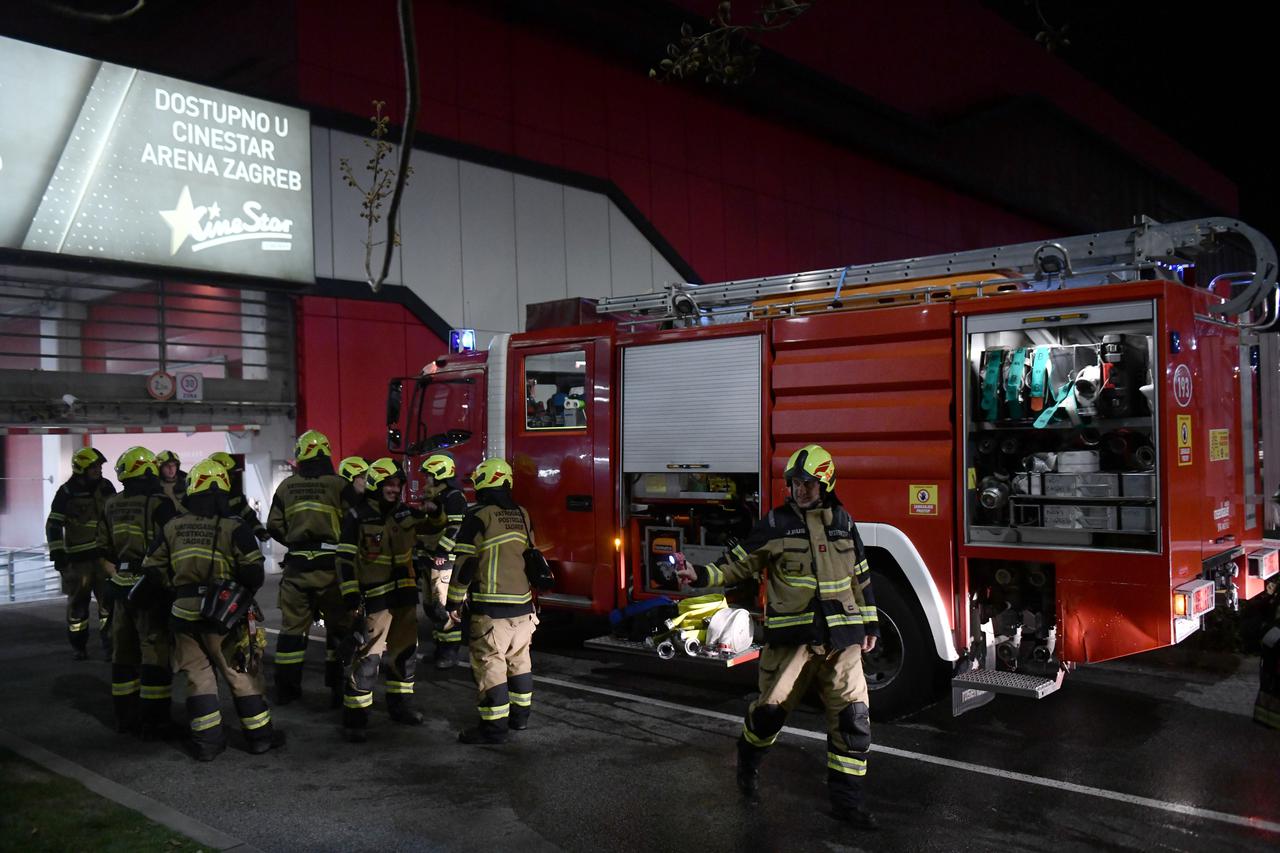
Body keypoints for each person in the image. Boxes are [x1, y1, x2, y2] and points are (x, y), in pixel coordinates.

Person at [675, 444, 881, 830]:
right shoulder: (775, 523)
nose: (799, 491)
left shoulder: (843, 521)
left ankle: (847, 804)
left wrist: (870, 625)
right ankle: (748, 759)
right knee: (768, 716)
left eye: (807, 484)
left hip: (843, 643)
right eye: (794, 484)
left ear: (826, 483)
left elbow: (861, 577)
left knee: (853, 721)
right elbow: (738, 564)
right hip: (793, 645)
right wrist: (700, 576)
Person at [142, 458, 285, 761]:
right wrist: (234, 595)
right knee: (240, 674)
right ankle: (260, 737)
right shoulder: (235, 527)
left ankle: (207, 744)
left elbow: (151, 567)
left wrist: (176, 588)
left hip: (183, 613)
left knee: (199, 678)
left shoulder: (172, 526)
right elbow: (254, 575)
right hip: (225, 616)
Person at [446, 457, 539, 744]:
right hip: (524, 609)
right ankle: (520, 720)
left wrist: (453, 603)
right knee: (520, 662)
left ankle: (493, 729)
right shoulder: (522, 514)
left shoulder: (478, 515)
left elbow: (464, 564)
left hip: (491, 609)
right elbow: (532, 556)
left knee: (491, 666)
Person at [337, 457, 424, 742]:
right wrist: (349, 592)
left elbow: (434, 528)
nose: (394, 489)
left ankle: (401, 706)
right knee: (368, 658)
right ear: (375, 484)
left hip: (405, 596)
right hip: (375, 599)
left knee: (405, 653)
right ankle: (356, 718)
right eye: (388, 484)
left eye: (397, 484)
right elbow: (344, 558)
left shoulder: (405, 514)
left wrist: (436, 511)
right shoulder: (357, 515)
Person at [265, 431, 353, 707]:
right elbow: (356, 523)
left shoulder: (286, 487)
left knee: (292, 632)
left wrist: (295, 541)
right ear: (326, 455)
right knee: (339, 630)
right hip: (333, 571)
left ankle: (287, 690)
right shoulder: (341, 485)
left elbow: (273, 527)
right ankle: (339, 689)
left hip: (297, 570)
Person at [98, 447, 180, 736]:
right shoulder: (160, 503)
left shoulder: (111, 503)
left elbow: (103, 547)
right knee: (155, 653)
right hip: (150, 587)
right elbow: (173, 545)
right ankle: (155, 722)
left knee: (123, 654)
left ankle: (125, 719)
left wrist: (113, 578)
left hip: (120, 587)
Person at [46, 446, 116, 659]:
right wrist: (58, 556)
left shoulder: (106, 487)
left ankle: (110, 648)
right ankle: (79, 646)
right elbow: (53, 525)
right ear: (81, 469)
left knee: (109, 606)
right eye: (93, 467)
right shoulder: (67, 493)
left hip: (103, 558)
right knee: (78, 609)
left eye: (99, 466)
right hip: (78, 563)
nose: (98, 470)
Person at [415, 453, 469, 669]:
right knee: (430, 606)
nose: (426, 480)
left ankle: (449, 653)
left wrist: (442, 552)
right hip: (429, 557)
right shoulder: (435, 498)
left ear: (439, 475)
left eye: (429, 476)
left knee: (443, 608)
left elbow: (457, 528)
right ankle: (440, 649)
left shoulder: (454, 497)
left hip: (444, 560)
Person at [209, 451, 269, 541]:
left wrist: (260, 531)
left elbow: (248, 515)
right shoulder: (202, 496)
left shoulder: (235, 493)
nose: (233, 477)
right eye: (229, 474)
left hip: (232, 541)